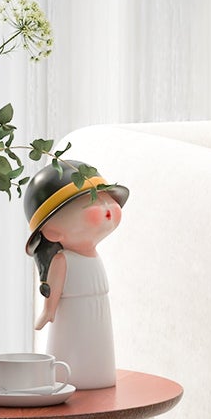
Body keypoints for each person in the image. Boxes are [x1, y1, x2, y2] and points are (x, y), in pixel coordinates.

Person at [22, 158, 129, 389]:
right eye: (93, 202)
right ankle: (72, 378)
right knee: (74, 349)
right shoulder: (63, 261)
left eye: (106, 199)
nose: (107, 209)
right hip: (74, 316)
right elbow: (55, 290)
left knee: (98, 345)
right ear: (52, 231)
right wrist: (48, 312)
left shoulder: (94, 258)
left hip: (98, 311)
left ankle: (100, 375)